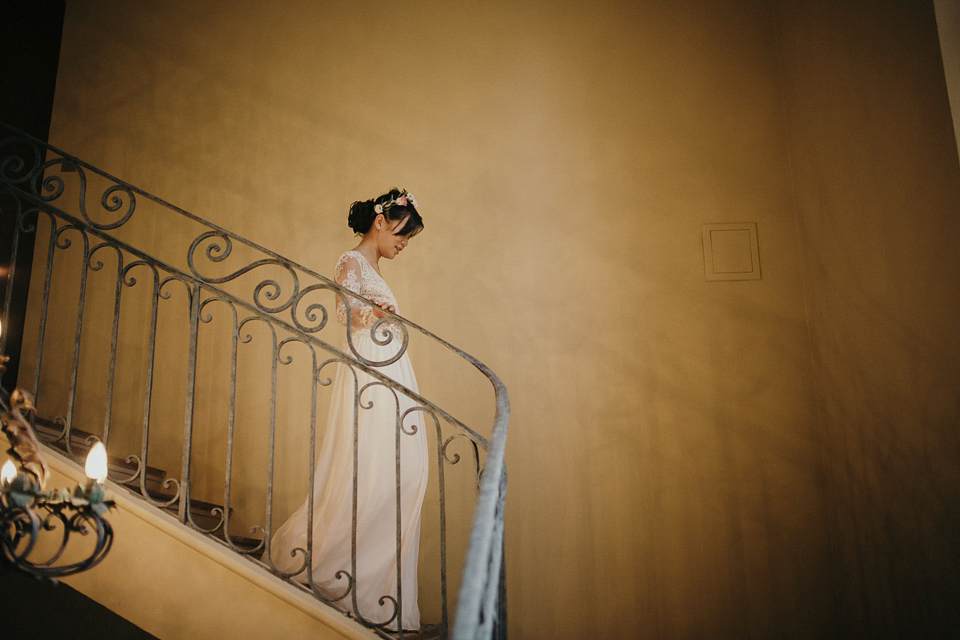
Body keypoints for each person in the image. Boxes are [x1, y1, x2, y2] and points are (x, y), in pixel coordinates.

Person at [270, 188, 427, 633]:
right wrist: (380, 314)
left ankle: (374, 585)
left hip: (393, 366)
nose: (404, 244)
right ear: (381, 221)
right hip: (370, 369)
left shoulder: (375, 266)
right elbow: (347, 310)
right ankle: (332, 567)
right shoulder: (351, 261)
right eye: (402, 233)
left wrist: (385, 316)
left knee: (408, 471)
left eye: (410, 239)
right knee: (372, 468)